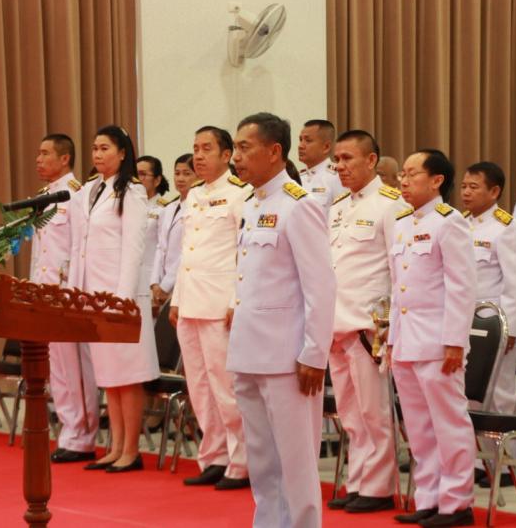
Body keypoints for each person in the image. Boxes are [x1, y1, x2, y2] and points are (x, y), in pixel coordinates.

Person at [228, 112, 335, 528]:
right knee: (263, 461)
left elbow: (320, 286)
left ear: (274, 151)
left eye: (244, 147)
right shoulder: (251, 204)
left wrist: (314, 354)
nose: (236, 157)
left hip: (288, 357)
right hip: (249, 351)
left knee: (296, 461)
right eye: (236, 147)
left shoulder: (299, 206)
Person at [389, 151, 476, 527]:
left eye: (412, 174)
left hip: (439, 343)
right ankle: (428, 498)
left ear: (437, 180)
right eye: (402, 175)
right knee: (419, 427)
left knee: (449, 423)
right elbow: (398, 289)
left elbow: (461, 286)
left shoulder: (449, 221)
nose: (403, 181)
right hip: (407, 341)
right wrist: (392, 338)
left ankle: (456, 503)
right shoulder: (401, 223)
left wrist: (455, 341)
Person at [68, 125, 160, 472]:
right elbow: (80, 247)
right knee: (108, 375)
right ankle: (115, 445)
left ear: (123, 153)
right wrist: (76, 293)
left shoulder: (131, 191)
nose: (97, 154)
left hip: (122, 297)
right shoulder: (90, 189)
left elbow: (134, 247)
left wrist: (122, 299)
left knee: (128, 374)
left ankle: (131, 450)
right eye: (94, 148)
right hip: (95, 295)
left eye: (105, 148)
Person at [325, 130, 406, 513]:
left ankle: (379, 486)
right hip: (336, 321)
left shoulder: (390, 204)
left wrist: (389, 326)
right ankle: (358, 480)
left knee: (374, 410)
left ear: (371, 160)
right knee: (350, 412)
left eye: (348, 159)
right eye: (336, 160)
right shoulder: (338, 206)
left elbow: (399, 269)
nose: (340, 167)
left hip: (368, 325)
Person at [168, 126, 252, 489]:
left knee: (226, 388)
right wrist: (177, 299)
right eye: (195, 148)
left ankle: (243, 460)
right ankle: (215, 456)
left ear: (226, 154)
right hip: (190, 302)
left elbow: (244, 253)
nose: (198, 156)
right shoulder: (195, 194)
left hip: (220, 304)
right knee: (200, 387)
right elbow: (186, 251)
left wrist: (236, 300)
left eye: (206, 149)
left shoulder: (240, 193)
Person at [461, 161, 516, 488]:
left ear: (494, 191)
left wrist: (510, 329)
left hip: (495, 324)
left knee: (500, 394)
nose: (466, 192)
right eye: (464, 186)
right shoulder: (461, 223)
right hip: (465, 323)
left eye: (474, 187)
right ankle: (478, 460)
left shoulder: (507, 228)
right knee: (469, 395)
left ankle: (505, 464)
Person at [30, 133, 100, 464]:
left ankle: (83, 436)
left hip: (66, 293)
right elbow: (41, 251)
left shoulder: (76, 195)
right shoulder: (44, 197)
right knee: (57, 368)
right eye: (38, 153)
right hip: (44, 292)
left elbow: (78, 247)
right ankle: (68, 431)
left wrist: (73, 292)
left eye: (46, 153)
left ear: (64, 159)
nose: (38, 159)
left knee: (75, 367)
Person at [150, 154, 196, 312]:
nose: (180, 178)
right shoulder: (169, 208)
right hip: (161, 285)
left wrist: (166, 285)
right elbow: (160, 247)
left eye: (187, 173)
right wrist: (155, 282)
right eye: (177, 173)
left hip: (182, 282)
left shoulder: (197, 208)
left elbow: (187, 250)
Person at [136, 156, 168, 357]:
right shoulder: (128, 205)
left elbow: (163, 250)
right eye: (134, 174)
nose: (137, 179)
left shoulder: (164, 209)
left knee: (149, 344)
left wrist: (159, 286)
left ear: (156, 180)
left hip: (150, 283)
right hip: (131, 282)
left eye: (142, 174)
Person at [297, 119, 344, 213]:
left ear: (326, 147)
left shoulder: (338, 176)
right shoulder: (297, 177)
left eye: (308, 140)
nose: (300, 146)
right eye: (300, 140)